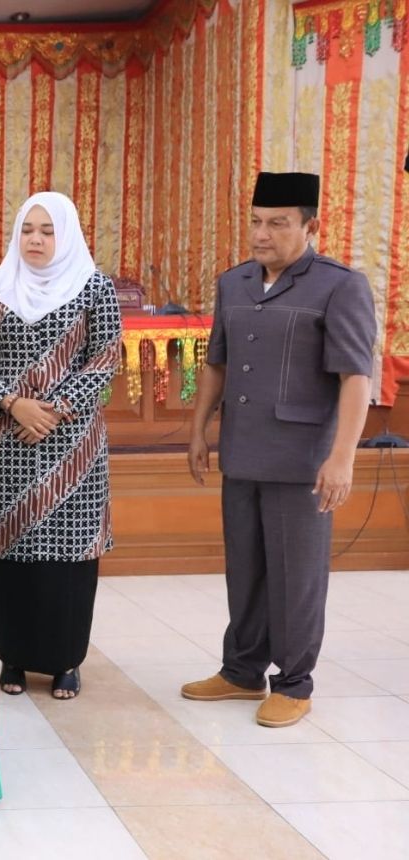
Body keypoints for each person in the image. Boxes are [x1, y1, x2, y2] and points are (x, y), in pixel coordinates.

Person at [181, 172, 376, 727]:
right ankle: (242, 671)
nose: (261, 234)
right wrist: (199, 430)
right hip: (242, 451)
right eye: (256, 222)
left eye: (278, 224)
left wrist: (343, 457)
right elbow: (215, 363)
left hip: (302, 460)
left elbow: (355, 377)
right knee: (245, 569)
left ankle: (293, 682)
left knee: (296, 576)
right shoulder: (234, 282)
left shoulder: (340, 286)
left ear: (310, 227)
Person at [0, 191, 122, 700]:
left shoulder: (94, 288)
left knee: (66, 559)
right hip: (3, 443)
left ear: (66, 235)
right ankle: (12, 655)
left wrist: (53, 410)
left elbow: (105, 358)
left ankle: (64, 661)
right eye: (28, 229)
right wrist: (14, 404)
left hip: (71, 448)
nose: (35, 239)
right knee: (6, 555)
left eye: (47, 231)